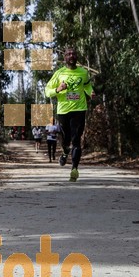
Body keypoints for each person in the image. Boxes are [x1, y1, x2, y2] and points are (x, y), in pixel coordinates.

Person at [44, 47, 95, 181]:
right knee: (66, 140)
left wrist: (91, 92)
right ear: (65, 58)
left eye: (73, 54)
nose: (71, 56)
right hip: (63, 111)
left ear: (77, 57)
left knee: (76, 139)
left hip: (79, 109)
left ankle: (74, 169)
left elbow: (87, 86)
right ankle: (65, 152)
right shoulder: (59, 73)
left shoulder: (83, 72)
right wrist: (58, 89)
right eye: (68, 54)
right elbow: (47, 91)